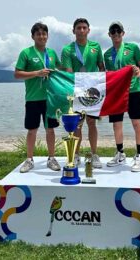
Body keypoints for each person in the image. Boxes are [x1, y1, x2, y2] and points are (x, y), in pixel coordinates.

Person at [14, 22, 61, 173]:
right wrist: (37, 73)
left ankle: (51, 158)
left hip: (50, 99)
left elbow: (61, 71)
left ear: (47, 36)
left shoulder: (52, 53)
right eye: (38, 34)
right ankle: (29, 160)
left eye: (44, 33)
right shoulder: (26, 53)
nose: (41, 36)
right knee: (32, 130)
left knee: (50, 130)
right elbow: (17, 74)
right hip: (33, 98)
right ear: (33, 36)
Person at [61, 18, 105, 168]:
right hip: (76, 90)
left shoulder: (96, 47)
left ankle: (94, 154)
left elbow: (101, 68)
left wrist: (103, 88)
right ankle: (77, 154)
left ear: (88, 30)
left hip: (93, 91)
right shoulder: (68, 50)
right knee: (77, 125)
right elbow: (67, 72)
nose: (81, 30)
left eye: (84, 28)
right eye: (78, 28)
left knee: (92, 123)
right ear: (73, 31)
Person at [104, 21, 140, 172]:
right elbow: (109, 76)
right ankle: (120, 153)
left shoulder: (133, 48)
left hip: (133, 90)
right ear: (109, 34)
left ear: (123, 33)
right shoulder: (107, 54)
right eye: (113, 31)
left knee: (136, 123)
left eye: (118, 31)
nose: (116, 34)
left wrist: (138, 74)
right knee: (116, 124)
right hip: (116, 93)